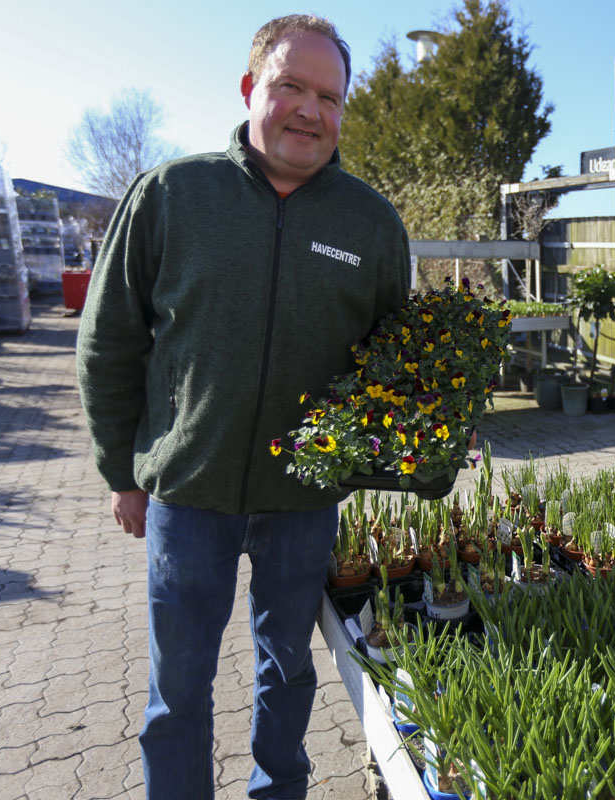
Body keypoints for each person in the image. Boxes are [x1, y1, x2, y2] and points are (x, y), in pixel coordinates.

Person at [76, 15, 409, 800]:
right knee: (177, 693)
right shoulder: (171, 195)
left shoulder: (370, 224)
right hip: (187, 497)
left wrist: (413, 441)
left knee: (288, 674)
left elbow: (396, 365)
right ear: (251, 87)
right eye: (291, 85)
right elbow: (109, 342)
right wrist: (122, 472)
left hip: (302, 504)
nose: (309, 110)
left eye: (330, 97)